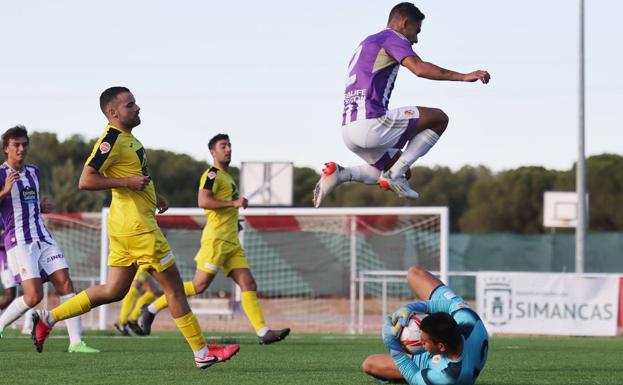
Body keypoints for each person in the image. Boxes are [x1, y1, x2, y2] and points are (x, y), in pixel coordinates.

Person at [31, 87, 239, 369]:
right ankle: (202, 354)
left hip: (125, 227)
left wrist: (155, 194)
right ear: (113, 113)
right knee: (175, 290)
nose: (138, 108)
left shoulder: (128, 139)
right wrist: (128, 182)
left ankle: (48, 318)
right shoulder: (111, 139)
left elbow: (134, 175)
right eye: (130, 105)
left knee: (114, 290)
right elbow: (86, 180)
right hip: (139, 229)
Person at [313, 2, 491, 207]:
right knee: (439, 118)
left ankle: (342, 174)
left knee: (404, 170)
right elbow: (419, 69)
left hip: (349, 130)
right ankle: (394, 175)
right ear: (404, 23)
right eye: (416, 31)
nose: (415, 40)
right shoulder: (392, 37)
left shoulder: (366, 43)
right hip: (371, 124)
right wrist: (463, 76)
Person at [138, 134, 290, 345]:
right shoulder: (211, 174)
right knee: (199, 286)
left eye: (229, 145)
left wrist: (233, 220)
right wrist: (234, 203)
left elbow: (222, 206)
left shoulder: (228, 177)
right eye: (223, 146)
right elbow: (204, 200)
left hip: (231, 242)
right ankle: (152, 308)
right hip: (216, 240)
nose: (228, 149)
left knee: (248, 283)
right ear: (213, 152)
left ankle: (263, 332)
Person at [0, 126, 99, 353]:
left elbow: (27, 201)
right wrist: (4, 192)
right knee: (33, 296)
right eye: (16, 145)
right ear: (6, 148)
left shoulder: (34, 171)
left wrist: (39, 206)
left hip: (43, 237)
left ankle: (76, 342)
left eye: (24, 144)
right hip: (19, 240)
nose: (21, 148)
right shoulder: (0, 175)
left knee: (65, 283)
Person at [361, 266, 489, 384]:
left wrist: (393, 346)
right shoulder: (469, 320)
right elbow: (449, 304)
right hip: (455, 349)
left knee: (369, 364)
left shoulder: (445, 376)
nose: (419, 341)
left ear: (441, 346)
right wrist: (412, 307)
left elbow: (414, 377)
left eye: (423, 342)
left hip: (432, 364)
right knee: (414, 273)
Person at [114, 267, 161, 336]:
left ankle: (133, 319)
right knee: (135, 286)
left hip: (146, 263)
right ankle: (122, 321)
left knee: (153, 292)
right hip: (138, 261)